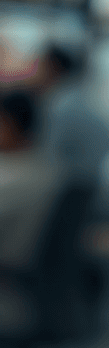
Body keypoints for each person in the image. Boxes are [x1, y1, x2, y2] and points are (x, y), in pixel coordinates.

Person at [0, 92, 61, 334]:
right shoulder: (50, 171)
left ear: (9, 124)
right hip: (32, 295)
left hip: (11, 295)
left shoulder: (16, 178)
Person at [37, 45, 109, 182]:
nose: (37, 72)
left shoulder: (61, 104)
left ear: (53, 66)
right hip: (93, 180)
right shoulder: (81, 97)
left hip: (74, 184)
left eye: (41, 65)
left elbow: (50, 158)